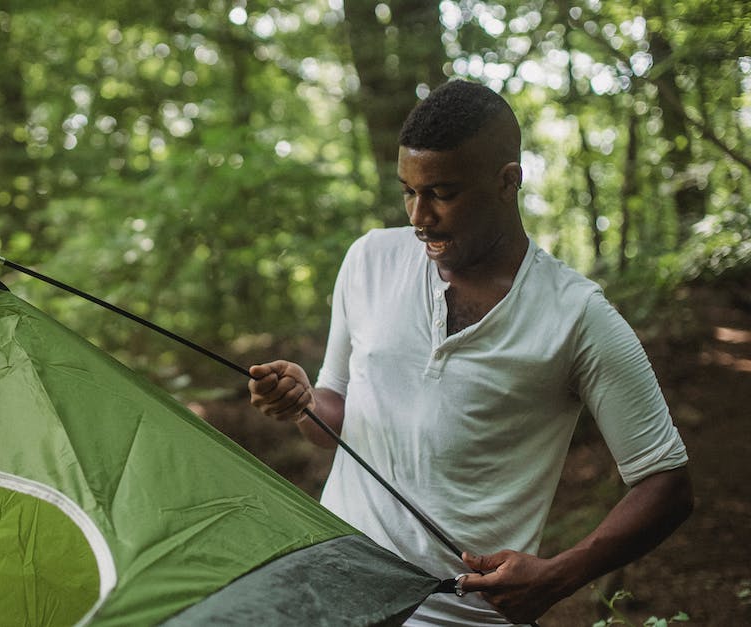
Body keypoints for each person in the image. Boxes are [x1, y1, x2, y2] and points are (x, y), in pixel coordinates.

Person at [247, 79, 693, 625]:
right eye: (407, 191)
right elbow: (335, 423)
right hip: (333, 591)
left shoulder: (577, 316)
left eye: (442, 193)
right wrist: (302, 401)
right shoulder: (368, 261)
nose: (418, 216)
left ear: (509, 182)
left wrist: (559, 575)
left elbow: (667, 482)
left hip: (460, 616)